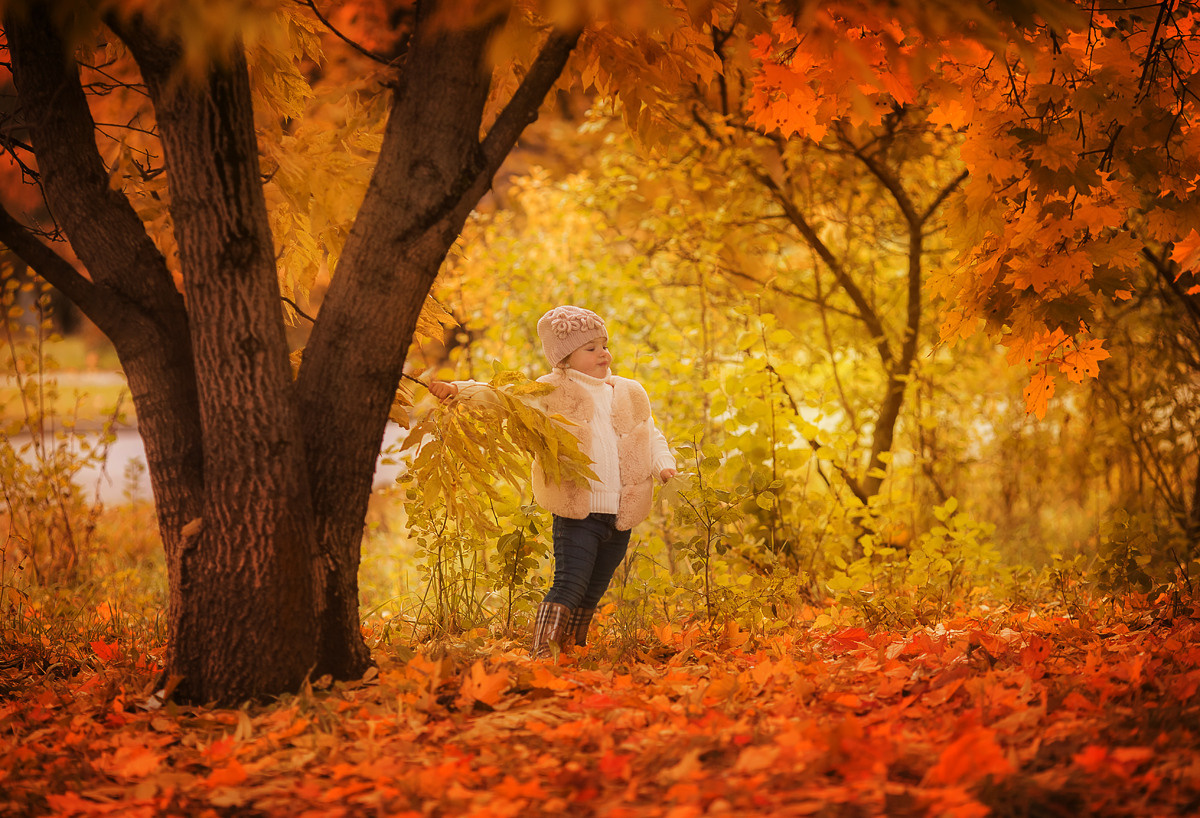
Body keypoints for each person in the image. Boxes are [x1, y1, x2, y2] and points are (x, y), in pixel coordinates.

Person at [430, 305, 677, 657]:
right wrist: (459, 389)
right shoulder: (550, 390)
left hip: (622, 513)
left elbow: (651, 435)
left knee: (593, 590)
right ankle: (542, 651)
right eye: (590, 349)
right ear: (564, 359)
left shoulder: (628, 391)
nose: (603, 354)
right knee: (570, 585)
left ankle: (572, 649)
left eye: (604, 345)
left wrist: (663, 464)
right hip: (578, 512)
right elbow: (504, 399)